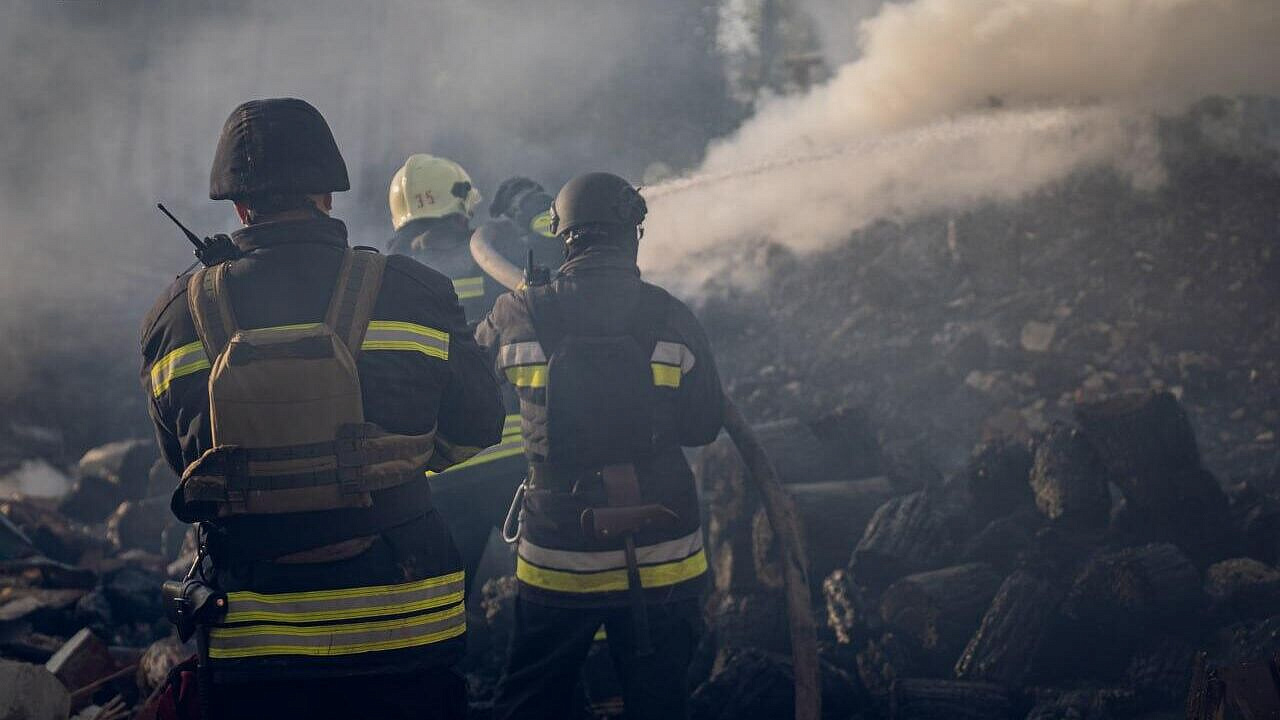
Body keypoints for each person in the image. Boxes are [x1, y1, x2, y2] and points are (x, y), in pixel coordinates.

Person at [140, 98, 504, 719]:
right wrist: (395, 461)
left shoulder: (174, 318)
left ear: (238, 207)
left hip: (253, 637)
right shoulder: (415, 292)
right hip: (408, 623)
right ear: (327, 195)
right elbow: (477, 430)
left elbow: (186, 465)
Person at [476, 171, 725, 720]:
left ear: (564, 237)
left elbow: (473, 406)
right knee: (659, 700)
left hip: (559, 552)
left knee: (535, 697)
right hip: (665, 553)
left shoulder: (518, 312)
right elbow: (704, 426)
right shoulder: (672, 315)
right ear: (632, 235)